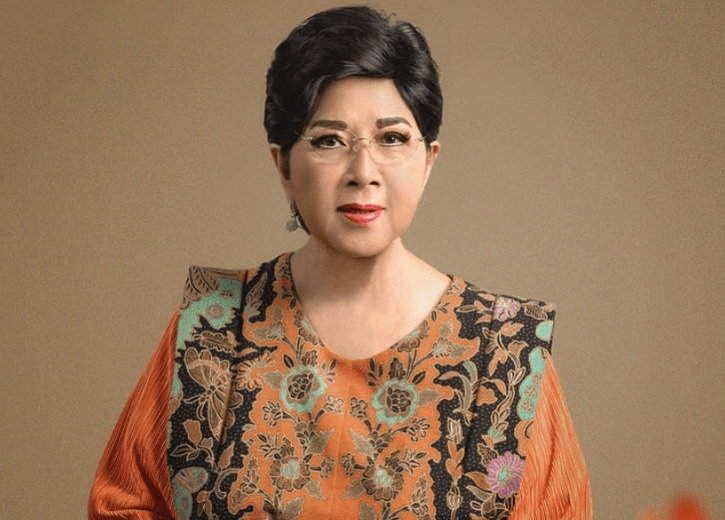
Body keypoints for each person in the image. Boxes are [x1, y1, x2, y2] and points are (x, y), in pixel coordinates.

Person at [89, 6, 591, 520]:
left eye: (392, 138)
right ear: (283, 165)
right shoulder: (213, 330)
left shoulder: (505, 354)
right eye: (329, 140)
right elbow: (124, 507)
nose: (362, 171)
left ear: (428, 161)